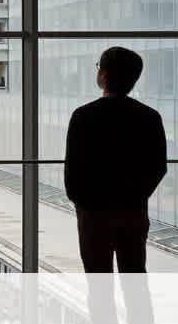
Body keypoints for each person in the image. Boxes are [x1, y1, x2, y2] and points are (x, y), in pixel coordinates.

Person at [65, 46, 167, 273]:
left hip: (93, 214)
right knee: (135, 281)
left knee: (99, 285)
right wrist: (137, 197)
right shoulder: (149, 117)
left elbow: (73, 169)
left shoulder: (83, 116)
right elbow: (158, 167)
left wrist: (83, 204)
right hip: (133, 211)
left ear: (103, 75)